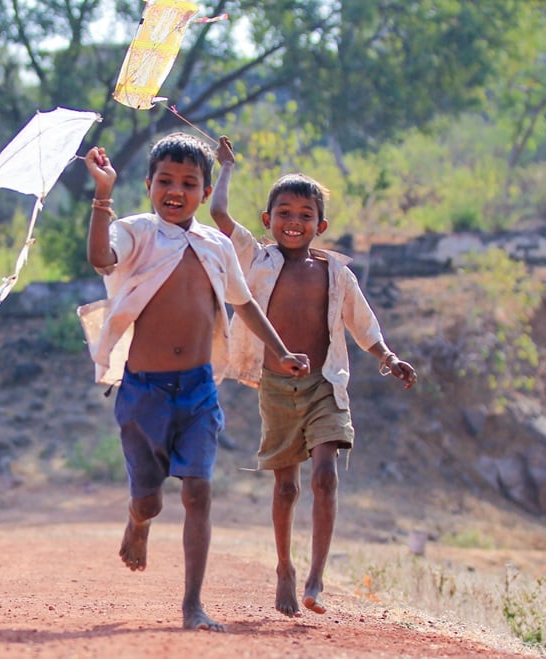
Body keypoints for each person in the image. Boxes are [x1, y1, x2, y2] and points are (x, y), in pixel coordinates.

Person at [77, 132, 311, 632]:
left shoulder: (215, 245)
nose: (175, 191)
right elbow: (101, 259)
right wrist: (103, 194)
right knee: (150, 500)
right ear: (148, 185)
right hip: (143, 393)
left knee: (198, 492)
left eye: (188, 182)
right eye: (165, 181)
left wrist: (281, 351)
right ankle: (138, 522)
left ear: (205, 192)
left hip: (200, 389)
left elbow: (244, 303)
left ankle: (193, 605)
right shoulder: (136, 232)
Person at [210, 136, 417, 618]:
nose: (294, 222)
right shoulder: (255, 259)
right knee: (286, 487)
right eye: (284, 212)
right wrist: (225, 168)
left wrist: (388, 357)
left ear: (319, 225)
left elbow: (362, 324)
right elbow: (219, 215)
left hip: (326, 384)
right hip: (277, 387)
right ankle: (283, 566)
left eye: (305, 215)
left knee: (325, 477)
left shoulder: (336, 273)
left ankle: (316, 577)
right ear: (267, 220)